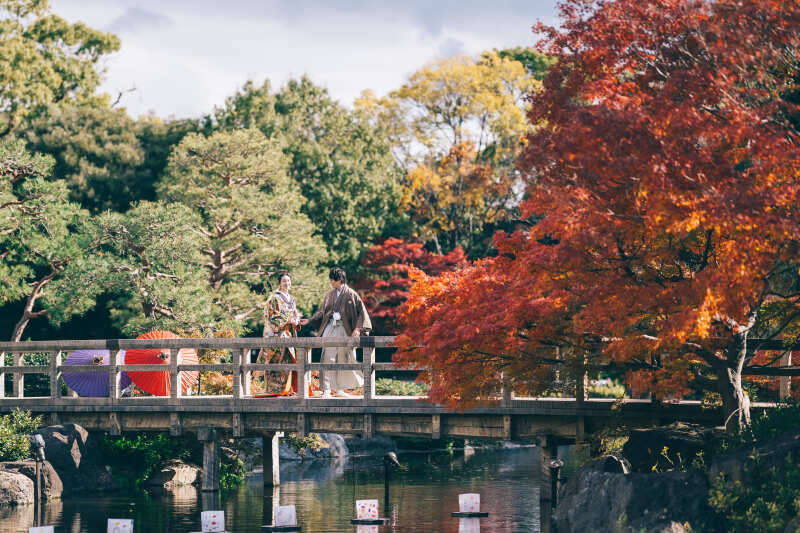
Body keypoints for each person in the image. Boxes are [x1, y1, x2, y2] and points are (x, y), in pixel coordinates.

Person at [301, 267, 371, 398]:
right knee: (327, 356)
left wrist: (357, 329)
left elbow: (361, 312)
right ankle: (327, 389)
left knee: (344, 357)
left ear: (340, 279)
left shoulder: (351, 293)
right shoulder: (330, 294)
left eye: (333, 280)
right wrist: (310, 321)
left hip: (344, 329)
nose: (331, 282)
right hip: (331, 327)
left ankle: (340, 389)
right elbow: (322, 312)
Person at [258, 272, 301, 396]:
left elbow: (295, 314)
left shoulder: (291, 298)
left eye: (288, 281)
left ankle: (287, 388)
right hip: (277, 334)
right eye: (284, 281)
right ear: (279, 283)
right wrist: (288, 320)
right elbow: (272, 316)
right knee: (276, 361)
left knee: (288, 361)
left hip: (288, 333)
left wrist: (296, 320)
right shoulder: (274, 298)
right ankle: (273, 389)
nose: (286, 283)